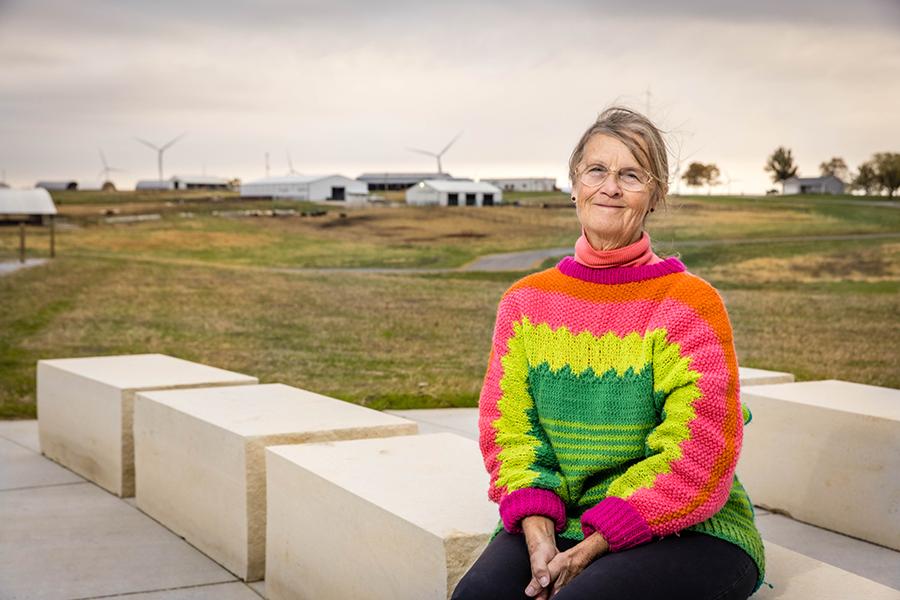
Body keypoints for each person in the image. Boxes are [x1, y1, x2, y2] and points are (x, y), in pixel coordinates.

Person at [451, 106, 765, 600]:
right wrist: (539, 538)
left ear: (655, 194)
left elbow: (698, 456)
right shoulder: (525, 303)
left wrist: (591, 547)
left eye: (631, 175)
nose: (610, 187)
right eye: (597, 170)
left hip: (688, 528)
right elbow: (509, 432)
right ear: (574, 183)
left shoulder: (690, 304)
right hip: (561, 518)